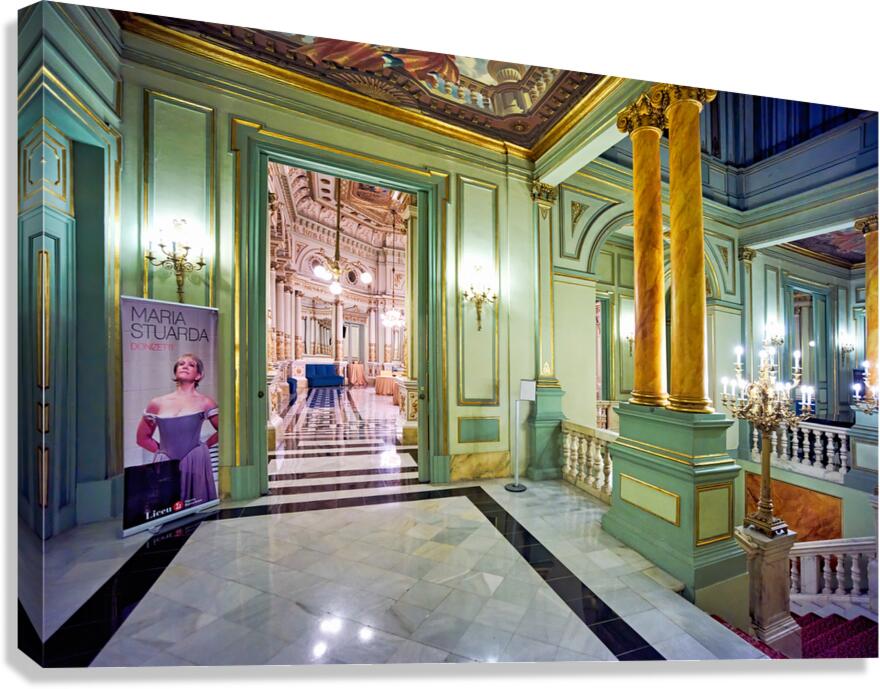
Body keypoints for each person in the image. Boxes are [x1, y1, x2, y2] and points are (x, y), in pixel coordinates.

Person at [136, 353, 219, 504]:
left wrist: (203, 448)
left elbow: (224, 430)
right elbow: (142, 438)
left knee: (197, 507)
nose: (185, 366)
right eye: (181, 364)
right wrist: (163, 452)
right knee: (166, 505)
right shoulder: (157, 403)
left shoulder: (206, 402)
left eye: (191, 364)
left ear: (198, 375)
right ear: (175, 371)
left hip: (195, 460)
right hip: (166, 461)